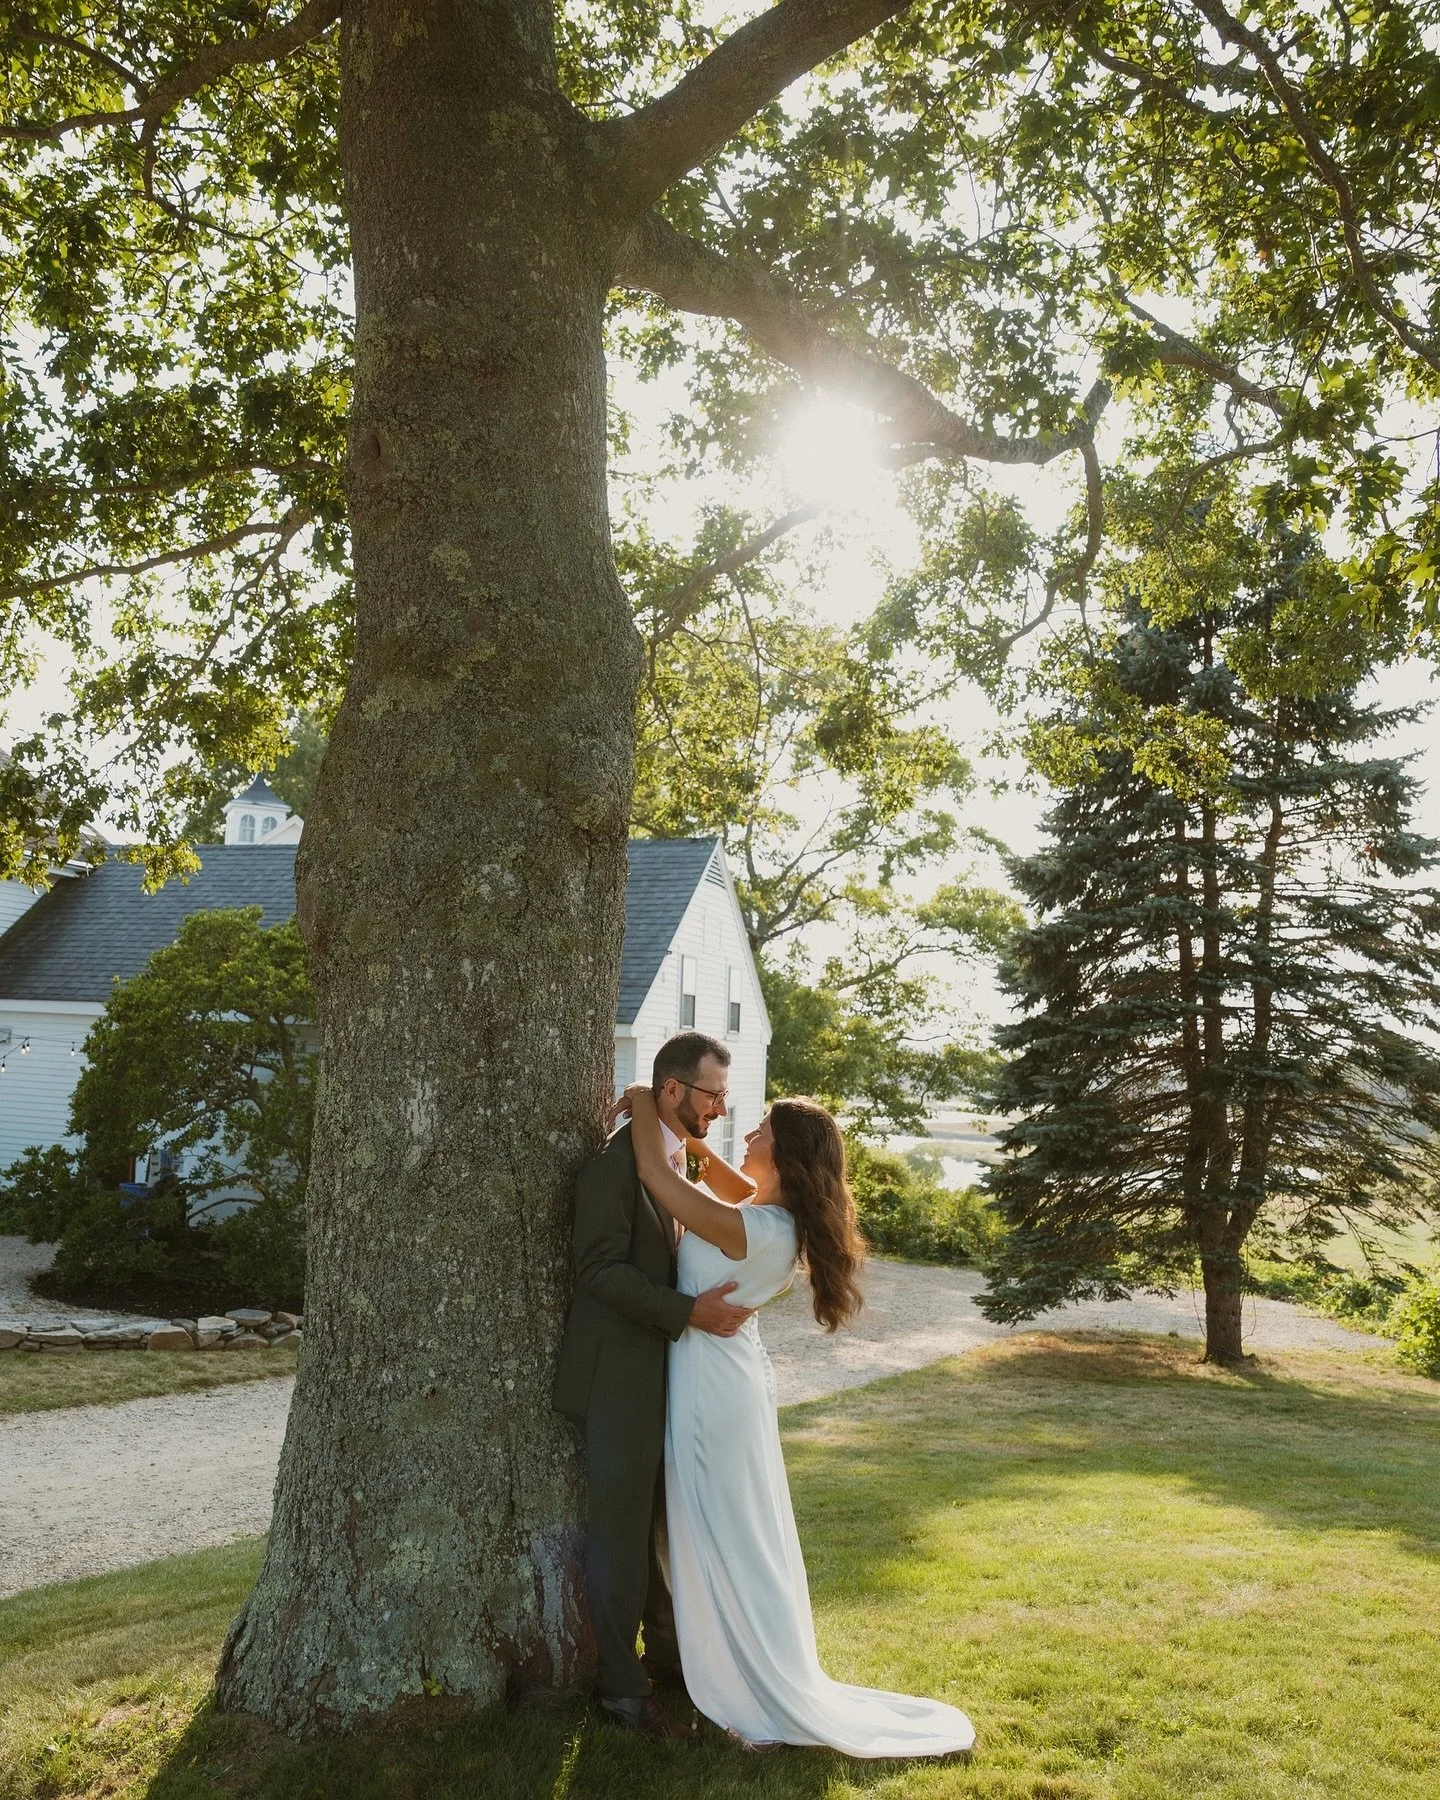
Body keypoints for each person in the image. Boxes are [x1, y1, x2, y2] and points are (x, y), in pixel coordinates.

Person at [615, 1081, 976, 1759]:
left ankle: (751, 1688)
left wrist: (644, 1104)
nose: (746, 1136)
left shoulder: (753, 1227)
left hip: (711, 1390)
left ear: (783, 1153)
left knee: (724, 1533)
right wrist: (684, 1132)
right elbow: (714, 1173)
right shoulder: (766, 1214)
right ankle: (736, 1667)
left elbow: (651, 1173)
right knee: (736, 1530)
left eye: (760, 1131)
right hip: (724, 1377)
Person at [552, 1031, 754, 1741]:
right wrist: (688, 1312)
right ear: (674, 1090)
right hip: (615, 1379)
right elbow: (598, 1270)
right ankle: (621, 1692)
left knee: (662, 1529)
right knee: (620, 1533)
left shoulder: (672, 1160)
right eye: (712, 1096)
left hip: (661, 1376)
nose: (721, 1110)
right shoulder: (613, 1169)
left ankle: (671, 1664)